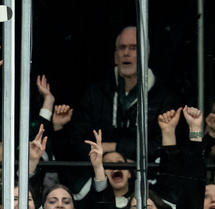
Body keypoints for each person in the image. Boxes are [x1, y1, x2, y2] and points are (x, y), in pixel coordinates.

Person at [65, 26, 176, 161]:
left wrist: (116, 147)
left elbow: (162, 147)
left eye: (133, 48)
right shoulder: (95, 94)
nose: (126, 53)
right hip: (100, 172)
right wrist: (110, 159)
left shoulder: (163, 96)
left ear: (146, 55)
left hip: (147, 178)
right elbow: (77, 142)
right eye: (122, 48)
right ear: (115, 56)